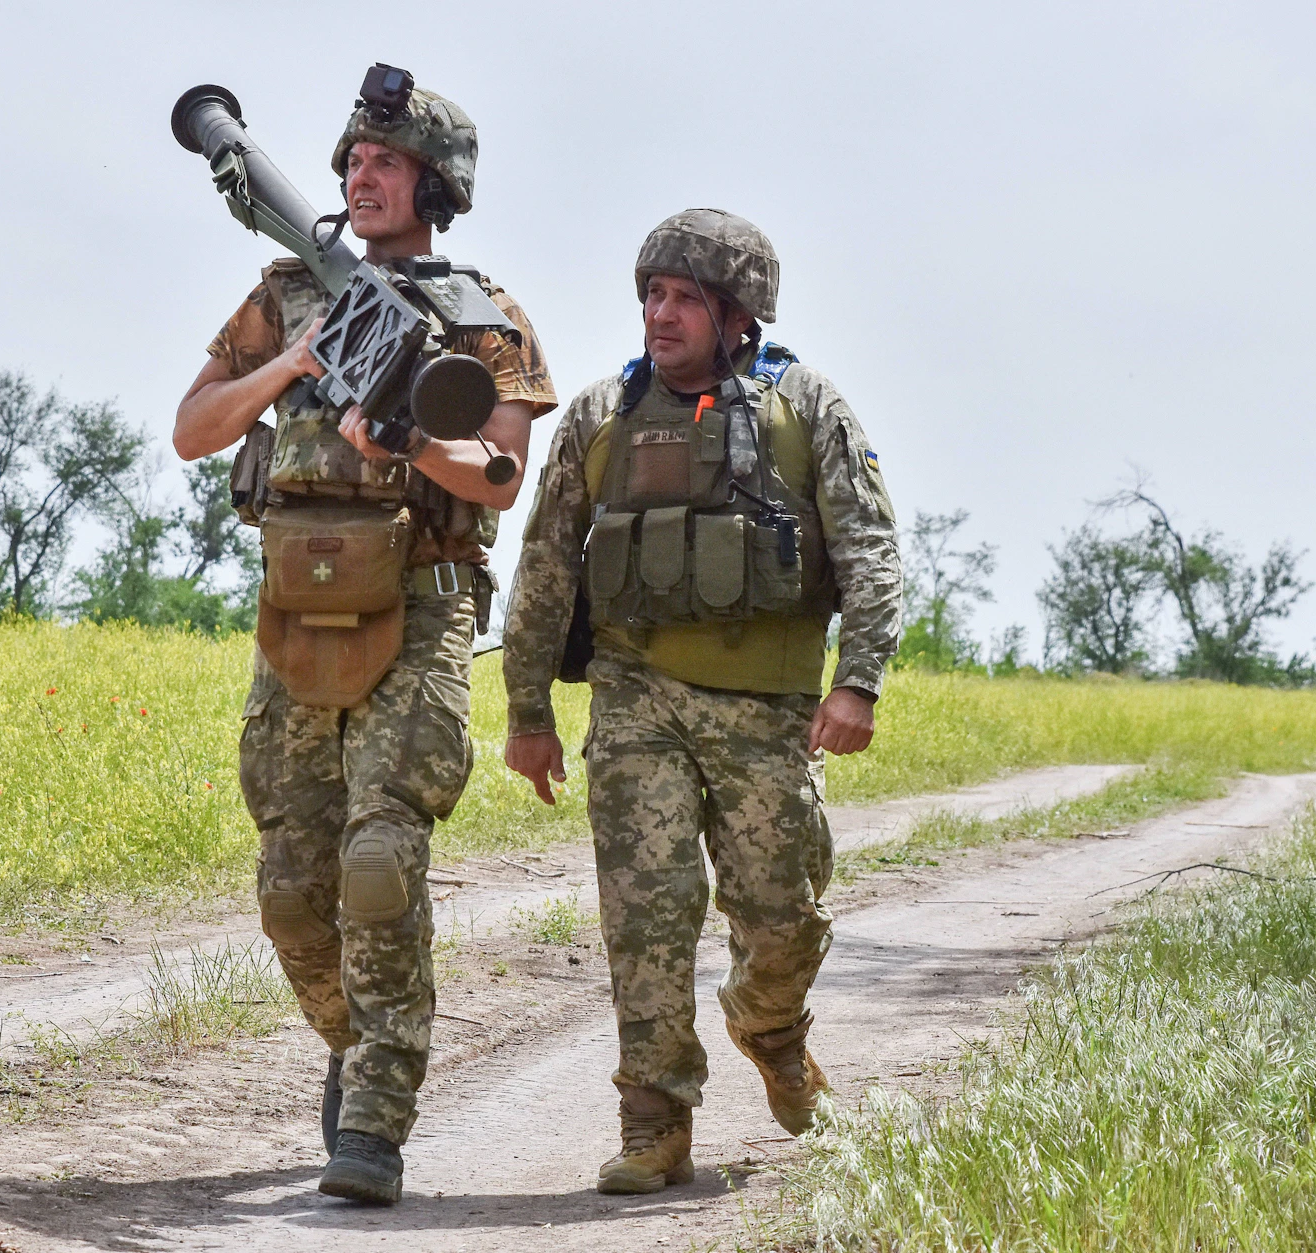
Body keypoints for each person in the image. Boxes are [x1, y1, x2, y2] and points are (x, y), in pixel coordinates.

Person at [172, 71, 554, 1205]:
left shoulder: (482, 314)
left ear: (432, 180)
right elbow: (192, 429)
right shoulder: (286, 294)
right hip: (294, 606)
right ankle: (352, 1038)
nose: (358, 175)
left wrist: (400, 442)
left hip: (422, 599)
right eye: (350, 161)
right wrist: (290, 365)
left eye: (383, 161)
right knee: (292, 884)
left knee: (380, 859)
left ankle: (377, 1117)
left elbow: (496, 477)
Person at [499, 209, 902, 1194]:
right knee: (646, 908)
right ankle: (653, 1120)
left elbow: (869, 550)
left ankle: (769, 1028)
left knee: (782, 914)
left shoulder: (803, 407)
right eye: (651, 294)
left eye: (683, 298)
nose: (659, 314)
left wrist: (857, 679)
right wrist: (526, 713)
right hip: (634, 697)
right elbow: (545, 569)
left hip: (765, 708)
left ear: (738, 317)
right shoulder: (598, 417)